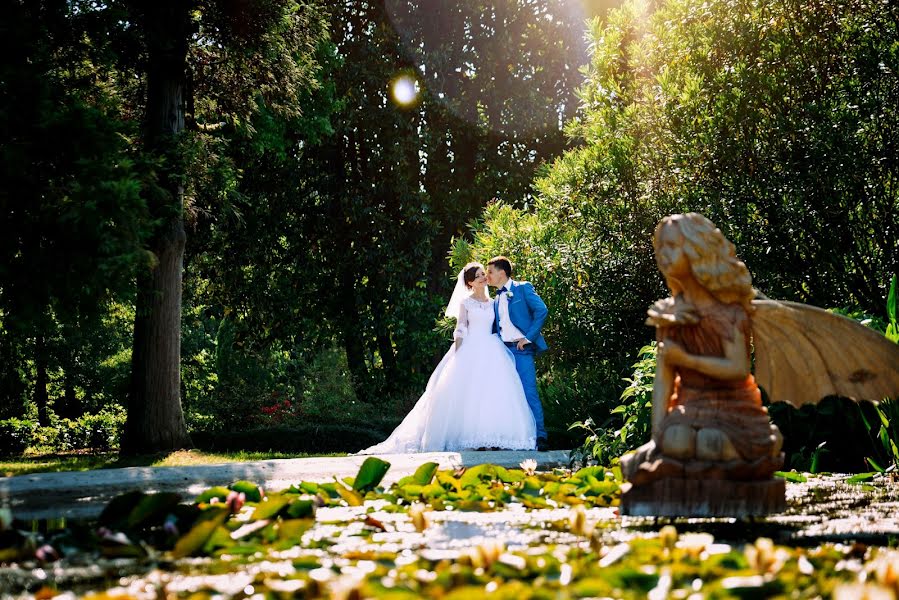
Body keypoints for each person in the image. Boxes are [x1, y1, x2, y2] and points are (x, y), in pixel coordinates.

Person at [621, 213, 783, 483]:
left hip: (733, 406)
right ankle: (699, 467)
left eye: (672, 246)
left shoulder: (729, 312)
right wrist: (656, 438)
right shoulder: (671, 315)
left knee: (710, 442)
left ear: (697, 249)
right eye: (660, 248)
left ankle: (751, 452)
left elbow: (738, 368)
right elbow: (664, 378)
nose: (664, 254)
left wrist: (686, 359)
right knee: (674, 441)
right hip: (690, 405)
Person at [358, 262, 536, 454]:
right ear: (470, 283)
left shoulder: (494, 303)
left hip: (492, 349)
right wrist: (458, 354)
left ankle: (493, 436)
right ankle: (472, 439)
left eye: (484, 274)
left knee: (492, 393)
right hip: (471, 347)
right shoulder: (466, 303)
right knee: (469, 395)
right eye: (478, 276)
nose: (484, 277)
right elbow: (460, 328)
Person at [485, 256, 550, 451]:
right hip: (502, 354)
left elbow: (542, 310)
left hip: (521, 351)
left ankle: (541, 437)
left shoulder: (522, 288)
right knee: (504, 396)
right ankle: (506, 438)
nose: (487, 276)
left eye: (490, 272)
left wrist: (528, 337)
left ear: (502, 272)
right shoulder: (495, 299)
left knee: (529, 393)